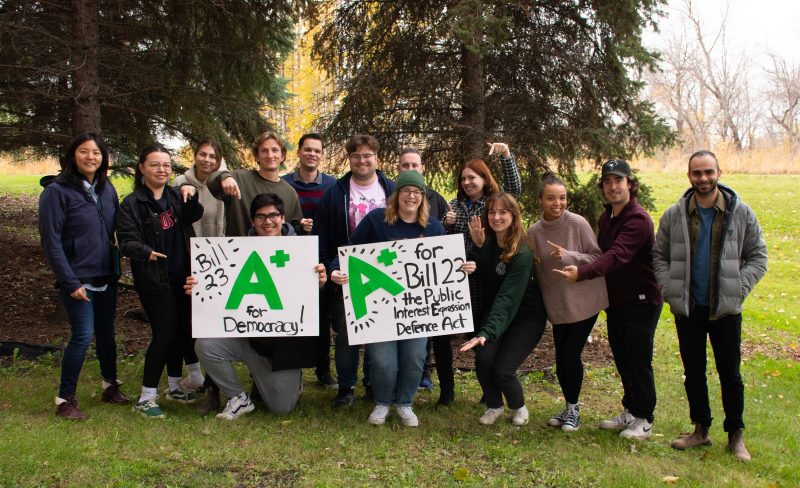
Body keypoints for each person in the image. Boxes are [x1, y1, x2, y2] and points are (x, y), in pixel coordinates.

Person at [653, 150, 767, 462]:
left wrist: (738, 289)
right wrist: (669, 289)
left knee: (730, 374)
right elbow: (659, 255)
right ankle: (700, 429)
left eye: (708, 172)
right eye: (697, 173)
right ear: (689, 176)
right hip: (689, 307)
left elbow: (758, 256)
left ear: (719, 173)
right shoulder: (674, 214)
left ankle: (735, 434)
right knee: (694, 372)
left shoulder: (740, 212)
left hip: (725, 309)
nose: (703, 178)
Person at [330, 171, 462, 427]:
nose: (411, 196)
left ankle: (404, 403)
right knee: (382, 361)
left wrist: (461, 267)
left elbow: (445, 263)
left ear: (422, 197)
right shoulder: (376, 221)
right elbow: (349, 250)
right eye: (406, 191)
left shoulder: (433, 227)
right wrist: (336, 268)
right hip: (381, 308)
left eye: (416, 192)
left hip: (417, 310)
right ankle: (382, 401)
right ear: (396, 195)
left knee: (414, 358)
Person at [189, 193, 328, 419]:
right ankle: (238, 398)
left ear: (283, 218)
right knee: (206, 345)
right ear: (253, 221)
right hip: (248, 338)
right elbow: (219, 291)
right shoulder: (235, 252)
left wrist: (319, 284)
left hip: (283, 347)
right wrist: (199, 287)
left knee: (281, 408)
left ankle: (288, 378)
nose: (267, 221)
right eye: (260, 217)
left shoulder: (301, 251)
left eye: (273, 215)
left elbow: (308, 304)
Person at [554, 159, 662, 440]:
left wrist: (582, 273)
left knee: (638, 360)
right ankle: (630, 410)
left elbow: (615, 256)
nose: (613, 187)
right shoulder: (607, 217)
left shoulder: (638, 220)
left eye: (618, 181)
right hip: (617, 301)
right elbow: (600, 253)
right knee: (623, 358)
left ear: (630, 184)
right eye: (607, 182)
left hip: (642, 301)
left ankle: (645, 418)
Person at [39, 132, 129, 420]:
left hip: (106, 275)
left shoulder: (106, 189)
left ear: (104, 158)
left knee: (106, 333)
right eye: (84, 151)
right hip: (78, 278)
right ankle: (65, 399)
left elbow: (116, 229)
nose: (91, 157)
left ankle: (110, 385)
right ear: (72, 155)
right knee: (82, 336)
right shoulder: (56, 192)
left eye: (96, 153)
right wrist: (70, 281)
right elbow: (51, 242)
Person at [117, 144, 203, 418]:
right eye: (155, 164)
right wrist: (146, 252)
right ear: (141, 167)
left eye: (166, 165)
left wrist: (192, 194)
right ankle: (146, 397)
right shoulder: (132, 204)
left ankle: (175, 386)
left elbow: (194, 215)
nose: (162, 170)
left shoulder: (175, 196)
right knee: (164, 333)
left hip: (183, 276)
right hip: (154, 280)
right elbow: (126, 241)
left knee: (181, 330)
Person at [314, 134, 395, 408]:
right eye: (356, 155)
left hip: (384, 273)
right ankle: (346, 386)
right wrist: (330, 267)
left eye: (367, 155)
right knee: (348, 332)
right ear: (349, 159)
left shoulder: (392, 190)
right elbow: (321, 236)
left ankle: (372, 383)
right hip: (346, 274)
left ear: (377, 158)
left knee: (378, 330)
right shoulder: (334, 193)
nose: (362, 160)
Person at [528, 173, 608, 431]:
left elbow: (597, 257)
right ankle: (568, 407)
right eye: (551, 198)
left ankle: (574, 410)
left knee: (570, 354)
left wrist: (568, 255)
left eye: (562, 198)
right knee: (561, 357)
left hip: (585, 300)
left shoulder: (577, 223)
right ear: (540, 200)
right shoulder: (534, 232)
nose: (557, 203)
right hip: (558, 305)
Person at [460, 193, 546, 426]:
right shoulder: (487, 241)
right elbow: (484, 272)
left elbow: (508, 297)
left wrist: (486, 332)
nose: (496, 217)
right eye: (492, 212)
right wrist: (476, 252)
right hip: (498, 313)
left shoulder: (522, 251)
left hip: (526, 317)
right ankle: (494, 406)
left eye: (503, 212)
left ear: (513, 215)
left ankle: (519, 407)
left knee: (503, 369)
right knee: (484, 359)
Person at [446, 144, 521, 403]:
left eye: (472, 177)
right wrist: (446, 223)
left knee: (485, 336)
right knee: (472, 336)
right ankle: (487, 387)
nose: (467, 182)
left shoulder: (493, 203)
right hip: (461, 284)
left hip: (487, 281)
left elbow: (513, 190)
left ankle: (492, 389)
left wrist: (506, 156)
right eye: (463, 178)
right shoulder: (455, 206)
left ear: (484, 179)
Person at [173, 138, 227, 413]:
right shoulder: (181, 182)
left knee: (214, 321)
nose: (207, 160)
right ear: (195, 156)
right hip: (190, 258)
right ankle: (195, 373)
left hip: (220, 259)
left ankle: (213, 381)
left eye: (212, 156)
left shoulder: (223, 183)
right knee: (192, 321)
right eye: (203, 154)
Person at [396, 147, 455, 397]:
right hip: (393, 283)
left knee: (423, 336)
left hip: (423, 286)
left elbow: (442, 249)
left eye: (415, 165)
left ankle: (424, 374)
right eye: (405, 165)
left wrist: (459, 266)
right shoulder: (386, 208)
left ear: (422, 168)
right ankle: (380, 382)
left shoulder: (436, 203)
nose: (410, 168)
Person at [281, 133, 338, 389]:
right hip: (289, 260)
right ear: (299, 153)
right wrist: (296, 225)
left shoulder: (333, 186)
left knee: (322, 316)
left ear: (322, 155)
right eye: (307, 149)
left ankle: (323, 368)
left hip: (321, 259)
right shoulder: (284, 184)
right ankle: (289, 367)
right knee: (289, 313)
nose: (312, 154)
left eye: (317, 150)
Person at [207, 131, 302, 237]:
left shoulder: (290, 192)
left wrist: (303, 226)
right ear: (257, 156)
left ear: (283, 156)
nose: (270, 155)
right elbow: (211, 182)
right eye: (264, 151)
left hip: (275, 248)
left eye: (275, 150)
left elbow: (295, 228)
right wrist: (224, 177)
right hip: (238, 246)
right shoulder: (239, 179)